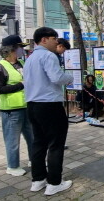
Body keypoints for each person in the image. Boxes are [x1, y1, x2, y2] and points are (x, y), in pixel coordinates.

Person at [24, 27, 74, 196]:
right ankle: (54, 182)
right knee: (55, 144)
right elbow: (57, 77)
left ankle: (38, 180)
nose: (56, 42)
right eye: (54, 38)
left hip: (32, 105)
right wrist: (70, 77)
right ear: (44, 40)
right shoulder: (48, 55)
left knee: (38, 143)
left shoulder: (30, 58)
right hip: (50, 106)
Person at [0, 35, 34, 176]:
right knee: (12, 140)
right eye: (20, 47)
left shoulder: (21, 63)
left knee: (32, 136)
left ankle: (34, 160)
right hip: (10, 111)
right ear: (11, 49)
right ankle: (13, 166)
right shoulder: (0, 67)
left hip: (26, 106)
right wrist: (20, 85)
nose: (23, 50)